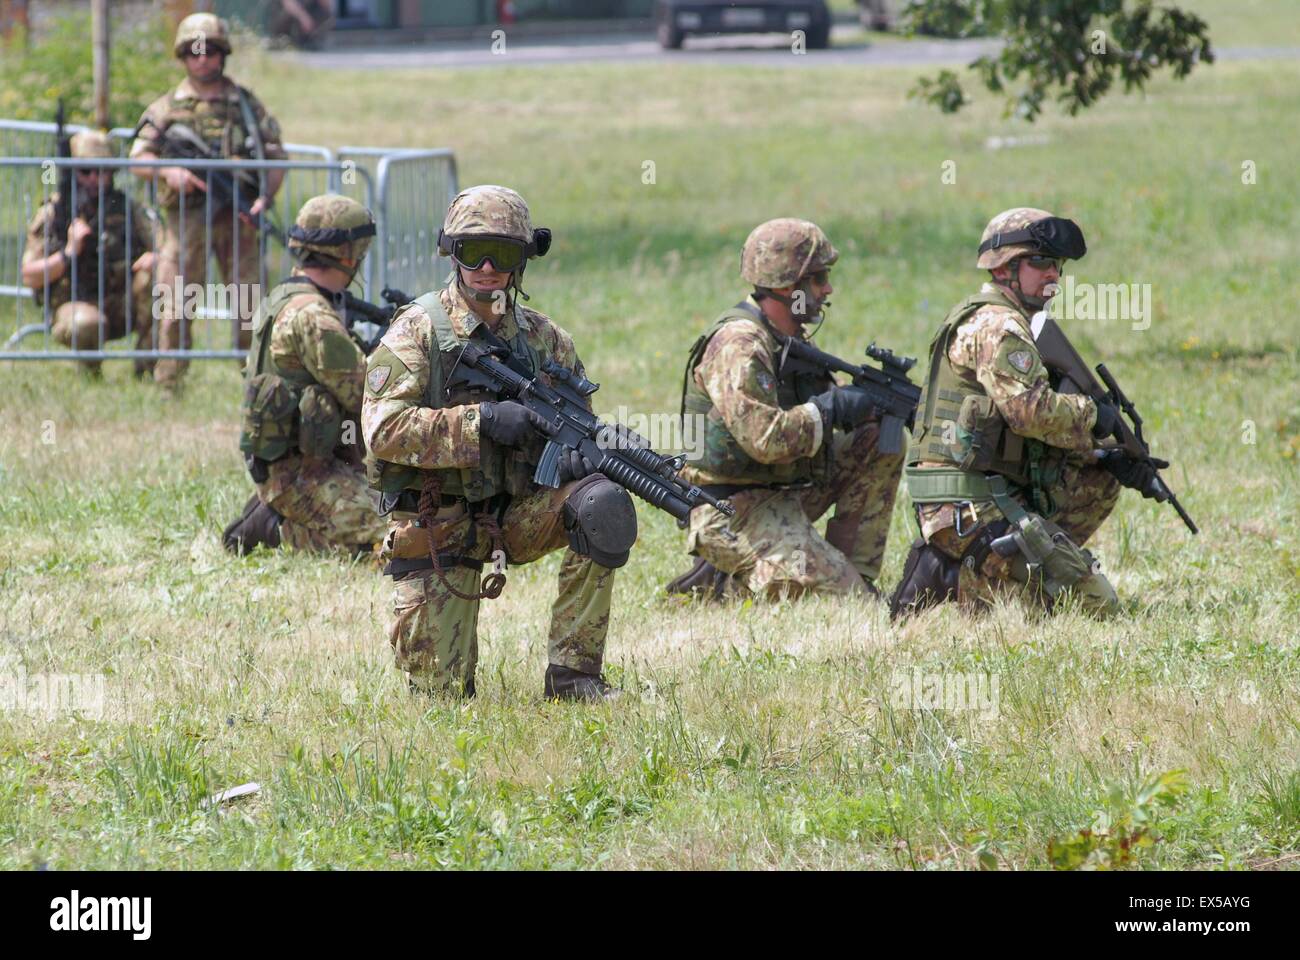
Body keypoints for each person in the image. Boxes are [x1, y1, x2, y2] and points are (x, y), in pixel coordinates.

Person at [361, 185, 632, 702]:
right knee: (442, 696)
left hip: (515, 512)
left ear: (523, 260)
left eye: (503, 254)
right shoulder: (417, 332)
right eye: (472, 253)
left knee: (602, 503)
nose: (487, 267)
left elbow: (580, 422)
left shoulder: (544, 340)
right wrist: (480, 422)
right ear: (451, 253)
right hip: (439, 521)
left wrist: (577, 459)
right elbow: (382, 431)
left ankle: (574, 676)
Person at [890, 207, 1151, 619]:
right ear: (1005, 268)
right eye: (1041, 262)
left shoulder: (998, 319)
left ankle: (995, 571)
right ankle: (957, 575)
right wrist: (1093, 416)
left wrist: (1106, 457)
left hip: (978, 494)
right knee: (1095, 607)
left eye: (1058, 265)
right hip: (967, 506)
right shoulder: (1000, 326)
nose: (1054, 275)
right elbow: (1030, 414)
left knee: (1099, 479)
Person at [667, 218, 904, 601]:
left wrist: (861, 406)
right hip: (729, 511)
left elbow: (823, 412)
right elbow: (765, 439)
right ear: (786, 286)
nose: (828, 289)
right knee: (851, 607)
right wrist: (829, 410)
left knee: (875, 437)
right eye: (818, 278)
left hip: (783, 492)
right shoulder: (739, 346)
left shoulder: (787, 338)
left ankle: (854, 572)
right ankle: (731, 585)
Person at [223, 194, 388, 557]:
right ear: (349, 254)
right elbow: (368, 398)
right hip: (302, 476)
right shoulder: (314, 316)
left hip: (293, 466)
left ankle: (275, 513)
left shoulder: (285, 294)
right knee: (398, 536)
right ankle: (276, 528)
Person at [129, 12, 286, 393]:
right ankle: (169, 382)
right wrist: (170, 173)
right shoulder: (167, 107)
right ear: (183, 55)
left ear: (223, 54)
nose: (203, 58)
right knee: (176, 301)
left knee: (250, 302)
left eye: (211, 50)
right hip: (186, 220)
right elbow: (138, 158)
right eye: (195, 51)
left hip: (238, 217)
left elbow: (275, 156)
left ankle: (256, 386)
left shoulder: (246, 105)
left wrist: (265, 197)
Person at [21, 130, 158, 378]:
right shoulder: (54, 213)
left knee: (162, 284)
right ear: (73, 172)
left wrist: (155, 258)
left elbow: (166, 248)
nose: (95, 178)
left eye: (103, 171)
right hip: (74, 308)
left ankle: (147, 371)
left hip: (120, 303)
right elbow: (29, 275)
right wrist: (68, 252)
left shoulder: (128, 209)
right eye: (86, 171)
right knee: (87, 322)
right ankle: (90, 374)